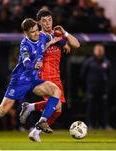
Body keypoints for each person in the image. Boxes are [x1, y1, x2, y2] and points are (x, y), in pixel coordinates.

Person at [0, 18, 64, 142]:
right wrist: (34, 65)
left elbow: (52, 39)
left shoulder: (42, 36)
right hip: (20, 81)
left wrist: (61, 36)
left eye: (36, 30)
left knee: (56, 91)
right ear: (26, 33)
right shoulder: (25, 44)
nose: (36, 33)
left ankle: (42, 122)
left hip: (34, 80)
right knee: (3, 109)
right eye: (32, 32)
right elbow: (26, 62)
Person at [19, 9, 80, 142]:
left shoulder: (57, 34)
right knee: (55, 103)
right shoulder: (37, 36)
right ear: (39, 23)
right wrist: (52, 43)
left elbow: (76, 44)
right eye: (44, 21)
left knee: (57, 110)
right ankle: (32, 113)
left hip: (56, 75)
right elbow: (34, 53)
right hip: (43, 74)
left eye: (50, 20)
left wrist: (64, 33)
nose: (48, 23)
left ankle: (34, 124)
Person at [80, 44, 112, 129]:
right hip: (91, 88)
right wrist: (86, 86)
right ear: (94, 51)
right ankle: (89, 125)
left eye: (101, 50)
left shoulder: (106, 62)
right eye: (98, 50)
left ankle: (105, 125)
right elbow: (83, 75)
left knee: (104, 108)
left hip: (102, 89)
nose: (99, 51)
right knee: (90, 107)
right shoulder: (89, 62)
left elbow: (109, 75)